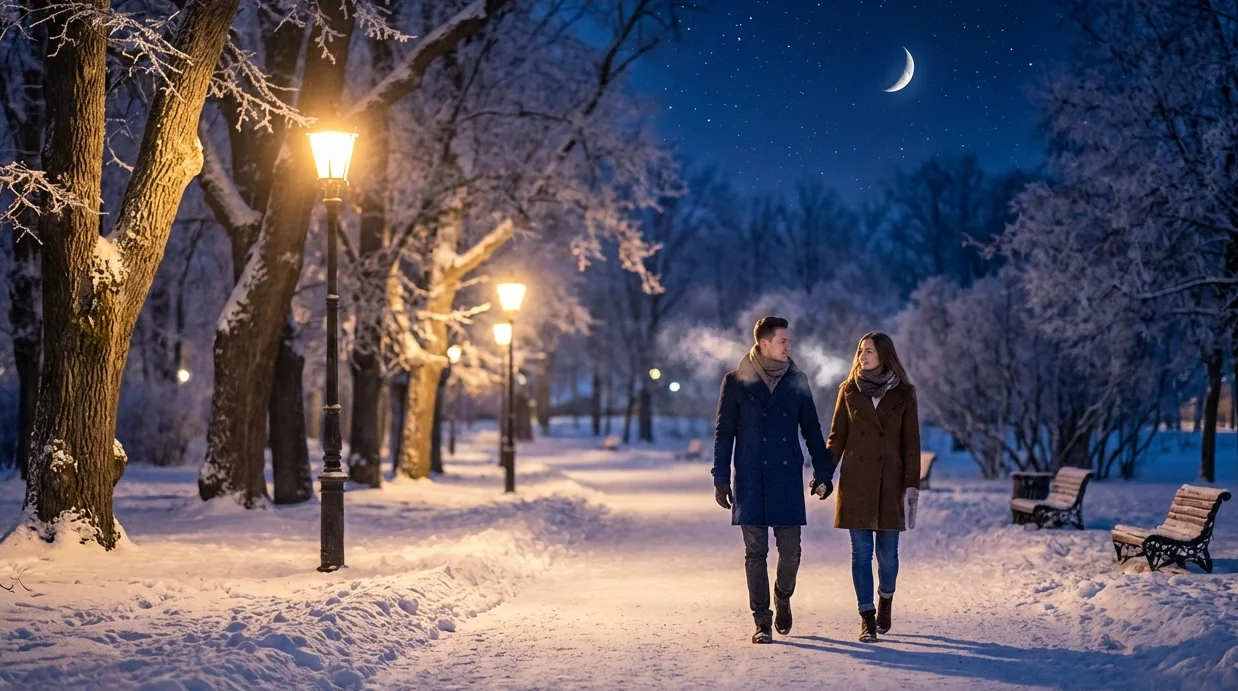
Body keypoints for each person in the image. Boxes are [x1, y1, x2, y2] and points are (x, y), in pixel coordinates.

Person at [712, 317, 834, 644]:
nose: (788, 346)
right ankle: (762, 621)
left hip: (785, 477)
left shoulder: (797, 381)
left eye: (788, 341)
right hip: (751, 477)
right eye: (783, 341)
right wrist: (720, 477)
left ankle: (783, 594)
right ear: (764, 343)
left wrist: (824, 471)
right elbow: (724, 433)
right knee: (755, 553)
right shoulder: (736, 381)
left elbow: (811, 430)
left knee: (791, 551)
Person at [826, 331, 921, 643]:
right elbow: (837, 437)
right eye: (860, 351)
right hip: (856, 482)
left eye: (868, 351)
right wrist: (824, 473)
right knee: (860, 553)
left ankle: (886, 599)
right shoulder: (848, 389)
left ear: (884, 354)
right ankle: (866, 617)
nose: (862, 356)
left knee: (888, 556)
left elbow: (911, 443)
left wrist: (911, 485)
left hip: (891, 483)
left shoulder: (904, 393)